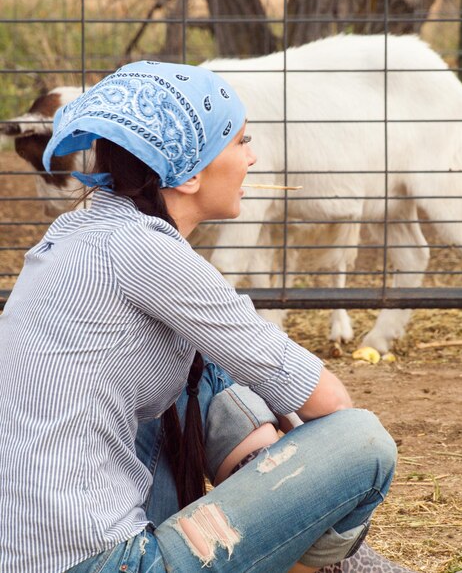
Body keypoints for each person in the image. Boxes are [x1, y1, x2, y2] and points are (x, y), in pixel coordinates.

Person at [0, 61, 416, 573]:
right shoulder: (151, 254)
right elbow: (330, 400)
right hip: (104, 561)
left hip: (31, 549)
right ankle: (310, 559)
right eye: (240, 141)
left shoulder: (73, 233)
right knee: (362, 443)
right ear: (191, 171)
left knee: (201, 366)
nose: (254, 157)